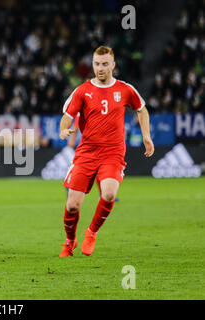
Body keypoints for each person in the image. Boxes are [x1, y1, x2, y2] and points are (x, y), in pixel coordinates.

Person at [58, 46, 154, 257]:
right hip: (87, 153)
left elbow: (142, 109)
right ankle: (70, 241)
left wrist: (146, 135)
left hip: (113, 152)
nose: (100, 69)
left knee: (109, 193)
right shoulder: (83, 90)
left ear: (113, 65)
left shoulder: (125, 89)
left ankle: (91, 233)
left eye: (104, 64)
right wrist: (64, 129)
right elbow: (67, 115)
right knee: (73, 205)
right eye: (96, 64)